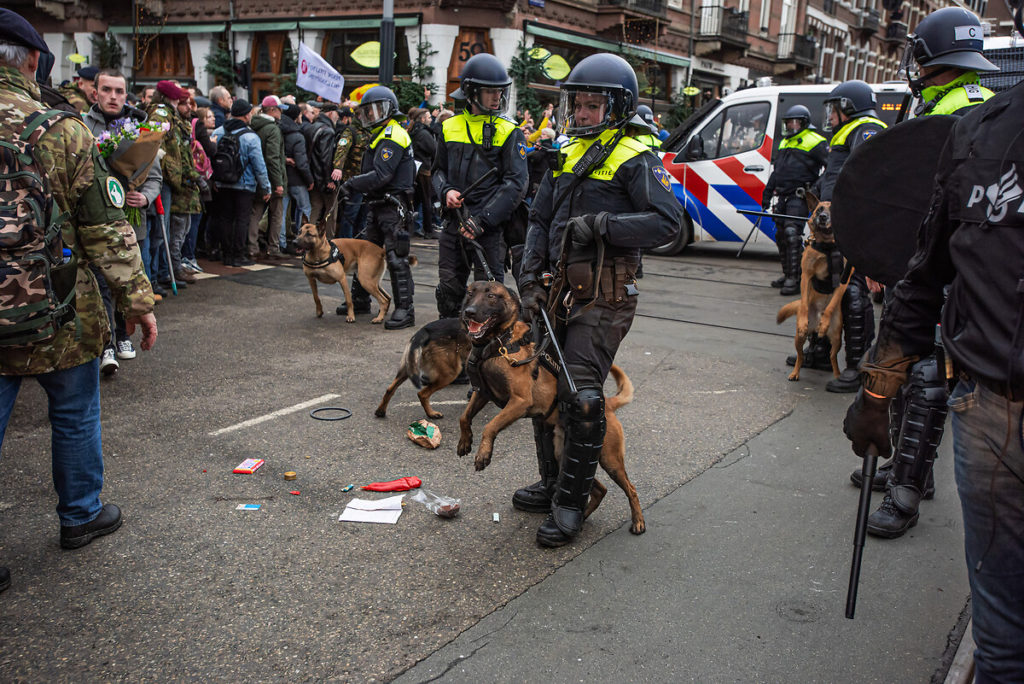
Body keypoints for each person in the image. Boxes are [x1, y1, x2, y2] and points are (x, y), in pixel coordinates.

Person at [842, 77, 1024, 684]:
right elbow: (925, 274)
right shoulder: (980, 132)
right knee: (1002, 639)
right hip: (993, 412)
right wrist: (874, 392)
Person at [0, 11, 158, 590]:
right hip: (56, 306)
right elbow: (102, 226)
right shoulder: (61, 130)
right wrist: (137, 301)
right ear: (34, 60)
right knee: (73, 411)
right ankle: (81, 516)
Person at [518, 53, 683, 547]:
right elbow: (539, 221)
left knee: (582, 393)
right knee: (544, 387)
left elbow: (667, 223)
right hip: (555, 289)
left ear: (617, 107)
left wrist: (602, 225)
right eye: (579, 104)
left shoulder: (637, 155)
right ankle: (553, 484)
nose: (584, 114)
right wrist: (529, 281)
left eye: (594, 106)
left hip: (605, 297)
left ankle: (572, 504)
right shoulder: (567, 151)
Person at [850, 6, 998, 538]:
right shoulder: (981, 105)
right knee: (916, 369)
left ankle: (906, 492)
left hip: (941, 272)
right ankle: (907, 469)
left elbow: (921, 208)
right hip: (956, 272)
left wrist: (889, 262)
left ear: (929, 59)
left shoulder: (952, 115)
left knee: (924, 374)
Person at [432, 53, 529, 320]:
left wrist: (482, 220)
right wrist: (445, 191)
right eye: (490, 91)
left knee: (488, 296)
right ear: (472, 93)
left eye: (500, 91)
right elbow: (437, 170)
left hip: (488, 229)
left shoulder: (510, 131)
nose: (497, 97)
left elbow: (516, 184)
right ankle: (452, 347)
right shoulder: (448, 126)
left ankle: (487, 354)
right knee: (449, 290)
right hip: (454, 222)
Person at [83, 68, 163, 370]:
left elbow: (155, 177)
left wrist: (144, 196)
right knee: (100, 282)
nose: (113, 96)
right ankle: (105, 345)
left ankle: (122, 335)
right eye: (107, 90)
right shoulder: (81, 125)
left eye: (119, 91)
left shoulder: (141, 128)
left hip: (130, 218)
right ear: (95, 92)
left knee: (126, 280)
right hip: (94, 222)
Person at [813, 80, 887, 393]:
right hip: (838, 222)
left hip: (856, 223)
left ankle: (858, 365)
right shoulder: (849, 130)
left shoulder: (867, 128)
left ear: (850, 106)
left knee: (854, 295)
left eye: (835, 107)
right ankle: (822, 352)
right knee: (828, 289)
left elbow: (867, 174)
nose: (830, 115)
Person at [339, 86, 417, 330]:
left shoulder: (393, 134)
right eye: (368, 111)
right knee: (365, 252)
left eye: (376, 110)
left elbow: (382, 174)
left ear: (389, 109)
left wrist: (352, 184)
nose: (371, 115)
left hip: (393, 206)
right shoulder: (381, 133)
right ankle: (361, 299)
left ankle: (405, 308)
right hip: (378, 203)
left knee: (395, 257)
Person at [762, 105, 827, 296]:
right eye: (788, 122)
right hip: (782, 196)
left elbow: (830, 168)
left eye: (794, 121)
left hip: (798, 197)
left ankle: (795, 278)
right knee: (781, 235)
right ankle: (788, 273)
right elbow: (777, 172)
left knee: (792, 234)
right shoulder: (785, 142)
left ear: (804, 122)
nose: (790, 125)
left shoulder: (816, 141)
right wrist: (766, 194)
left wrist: (813, 190)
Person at [211, 99, 271, 267]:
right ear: (246, 115)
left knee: (225, 219)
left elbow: (210, 158)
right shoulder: (251, 137)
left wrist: (213, 179)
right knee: (241, 220)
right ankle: (238, 255)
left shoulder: (217, 131)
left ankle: (226, 254)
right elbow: (259, 165)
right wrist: (266, 187)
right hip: (244, 185)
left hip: (222, 183)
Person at [249, 95, 287, 259]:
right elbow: (273, 158)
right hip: (272, 179)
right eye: (279, 109)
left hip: (258, 178)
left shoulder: (254, 125)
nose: (281, 113)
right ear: (272, 110)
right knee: (276, 215)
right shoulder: (272, 129)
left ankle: (252, 247)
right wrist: (278, 183)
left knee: (255, 213)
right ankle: (273, 248)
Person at [279, 102, 313, 254]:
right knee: (305, 209)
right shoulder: (297, 136)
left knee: (281, 211)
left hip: (282, 178)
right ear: (296, 117)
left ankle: (281, 243)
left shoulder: (278, 130)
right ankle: (303, 242)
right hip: (297, 180)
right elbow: (302, 163)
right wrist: (309, 180)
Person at [408, 107, 437, 238]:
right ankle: (428, 230)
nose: (431, 119)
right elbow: (434, 150)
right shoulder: (423, 134)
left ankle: (415, 228)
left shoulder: (415, 131)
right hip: (424, 170)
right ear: (423, 119)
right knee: (426, 200)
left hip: (417, 169)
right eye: (429, 117)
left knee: (418, 200)